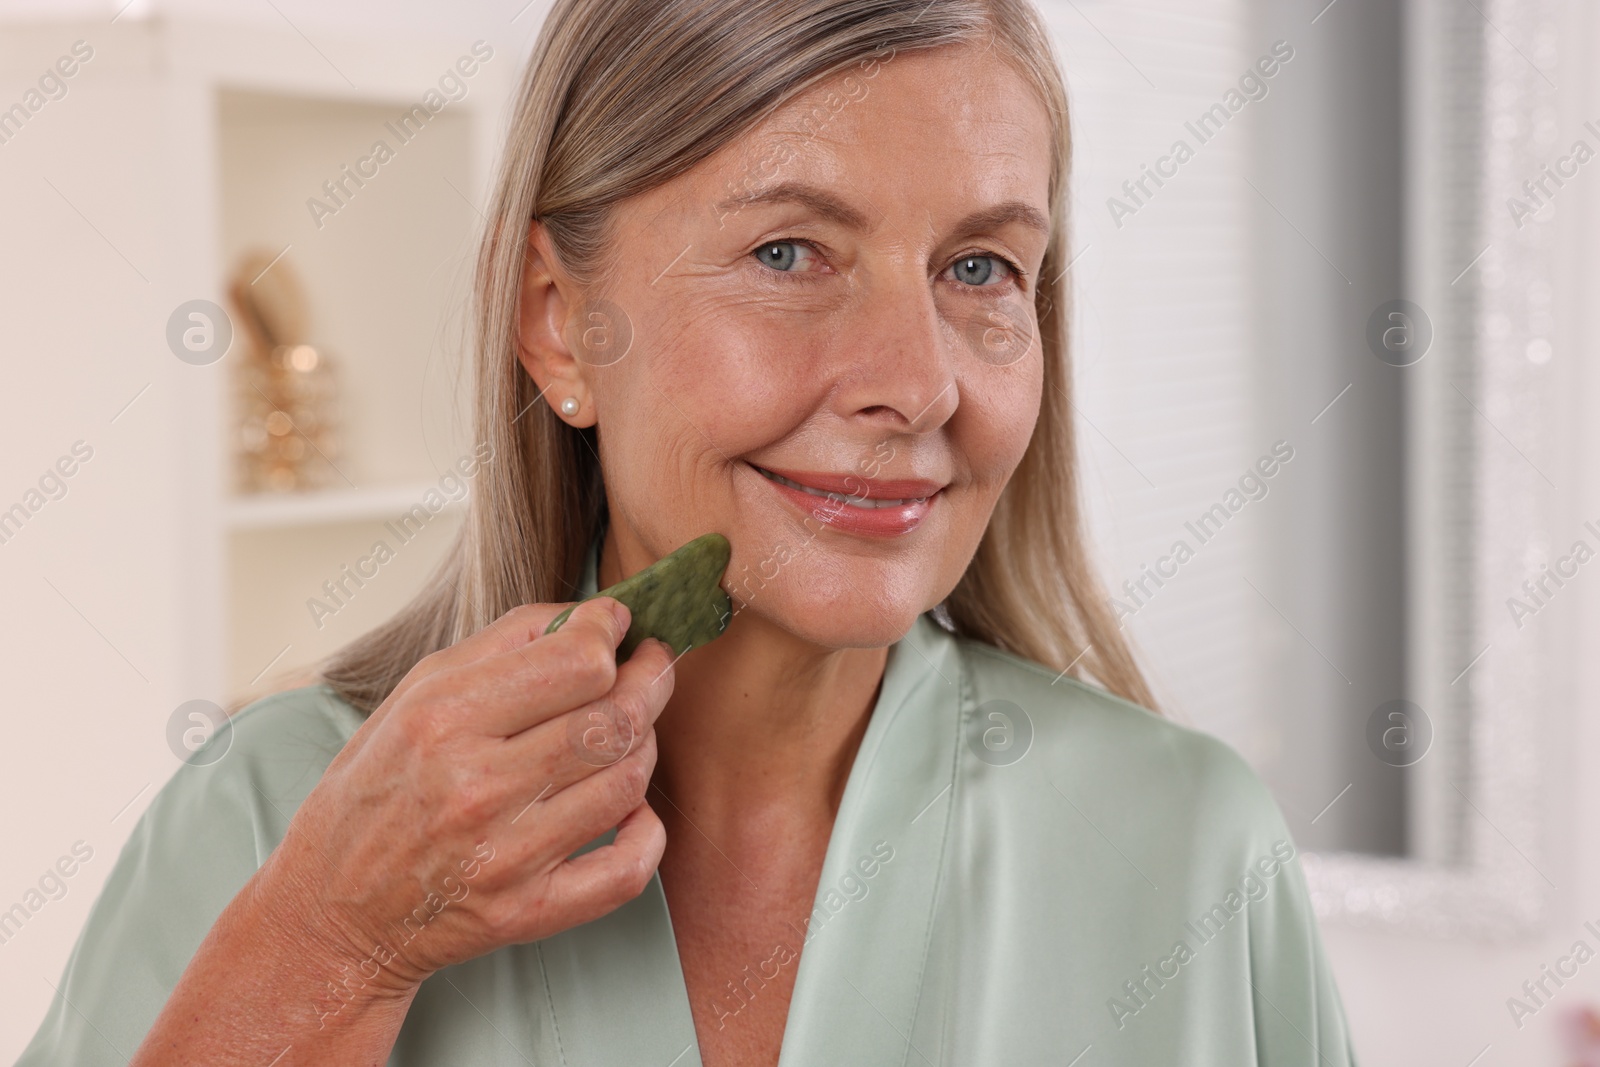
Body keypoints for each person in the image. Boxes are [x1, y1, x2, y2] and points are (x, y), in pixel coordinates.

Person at [17, 0, 1358, 1064]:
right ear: (558, 320)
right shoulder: (273, 818)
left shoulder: (1189, 851)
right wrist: (333, 953)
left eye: (979, 269)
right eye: (790, 252)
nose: (920, 378)